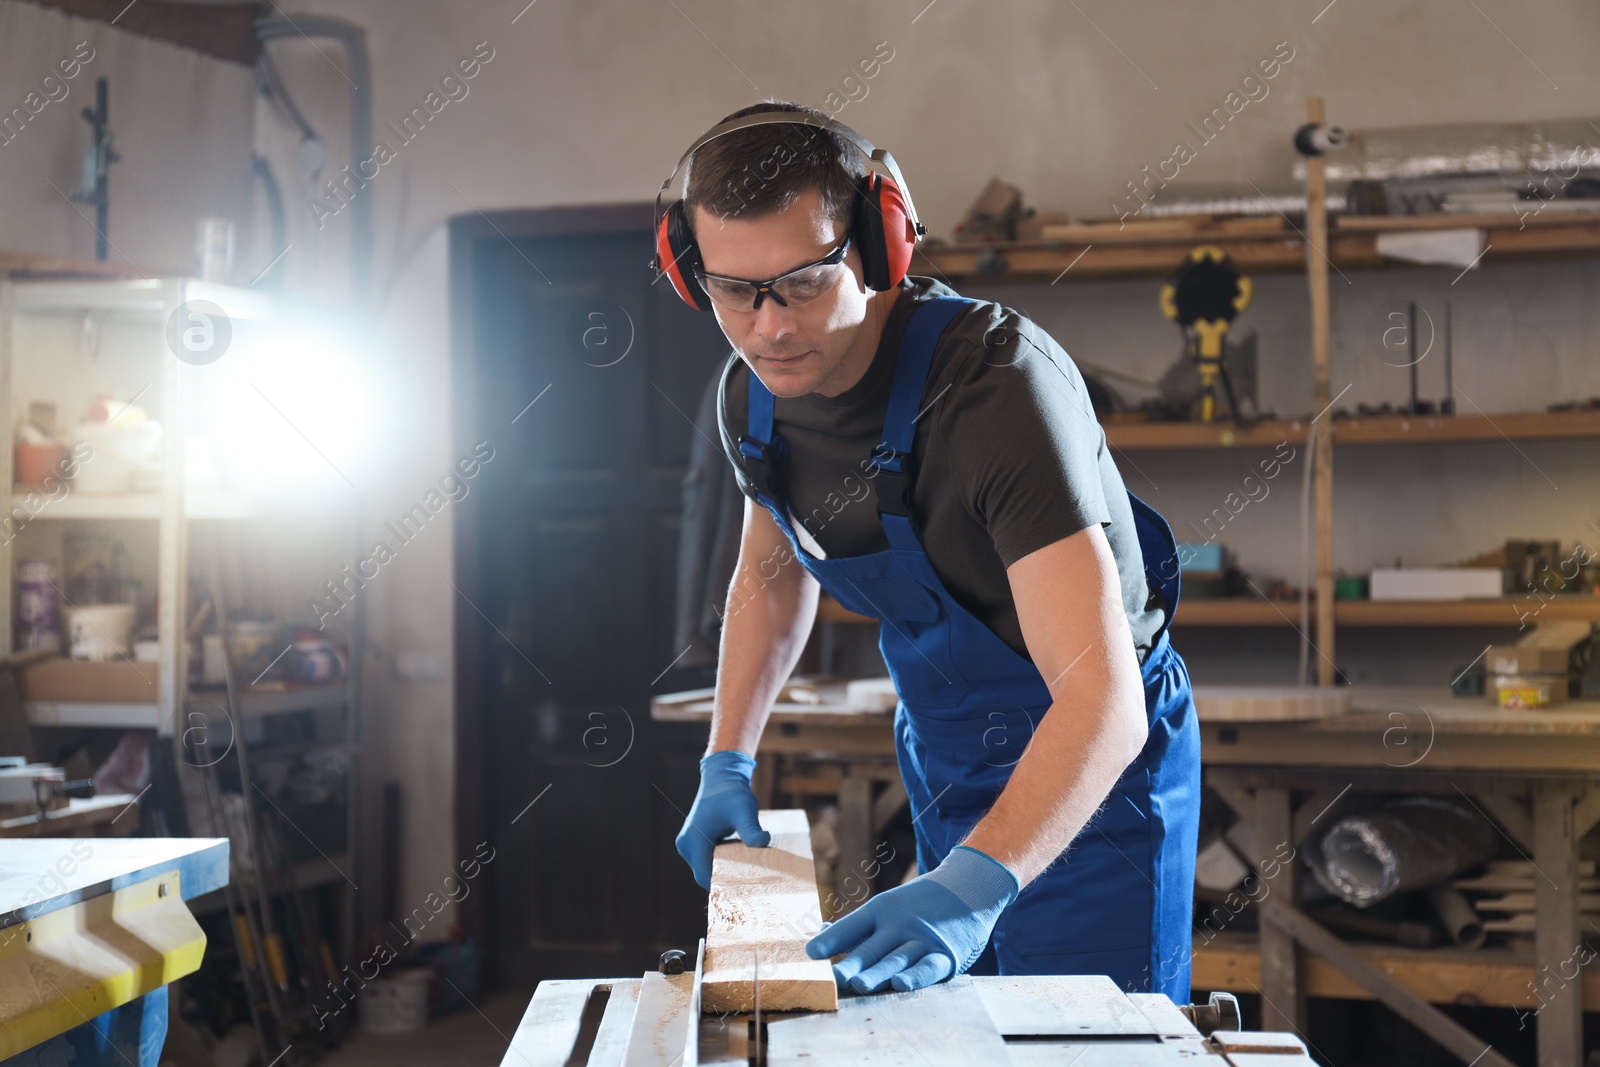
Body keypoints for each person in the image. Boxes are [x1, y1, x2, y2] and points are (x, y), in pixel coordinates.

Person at [659, 100, 1200, 1000]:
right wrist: (729, 756)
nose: (771, 328)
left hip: (1097, 776)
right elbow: (774, 565)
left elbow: (1103, 702)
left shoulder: (995, 392)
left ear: (879, 244)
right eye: (734, 291)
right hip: (946, 753)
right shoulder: (752, 396)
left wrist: (973, 885)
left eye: (802, 281)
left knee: (1090, 1041)